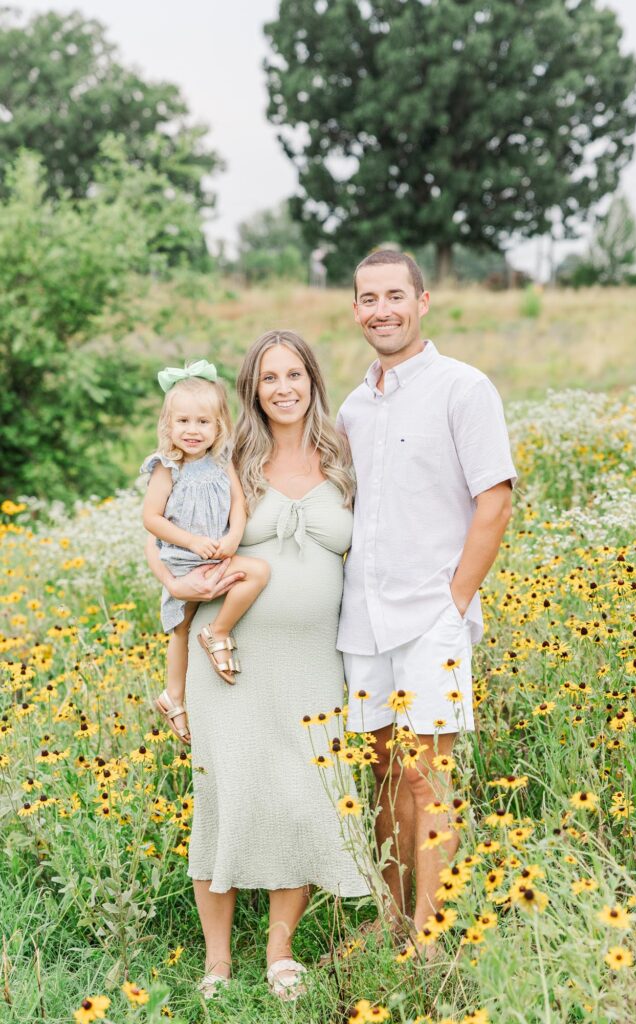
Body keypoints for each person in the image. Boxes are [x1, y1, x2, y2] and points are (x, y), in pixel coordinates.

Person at [144, 333, 368, 1002]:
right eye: (268, 376)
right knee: (227, 800)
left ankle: (280, 953)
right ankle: (216, 963)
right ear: (251, 387)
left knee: (299, 801)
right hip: (232, 662)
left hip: (313, 666)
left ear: (311, 379)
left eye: (293, 373)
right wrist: (176, 588)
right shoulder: (229, 455)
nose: (282, 387)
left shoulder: (344, 456)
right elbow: (167, 531)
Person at [337, 250, 517, 939]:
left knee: (426, 777)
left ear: (423, 301)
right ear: (355, 310)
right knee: (380, 775)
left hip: (430, 615)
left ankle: (431, 932)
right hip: (364, 617)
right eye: (367, 298)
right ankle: (390, 917)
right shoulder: (354, 406)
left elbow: (493, 502)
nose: (381, 309)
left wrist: (454, 602)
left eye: (394, 295)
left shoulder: (462, 388)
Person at [142, 360, 270, 743]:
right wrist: (191, 541)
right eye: (183, 422)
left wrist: (232, 539)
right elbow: (151, 519)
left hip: (217, 555)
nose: (192, 431)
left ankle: (218, 630)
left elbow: (237, 503)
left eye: (202, 422)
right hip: (184, 561)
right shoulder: (167, 467)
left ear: (219, 427)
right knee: (179, 630)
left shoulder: (221, 461)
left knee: (258, 572)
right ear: (168, 426)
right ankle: (174, 696)